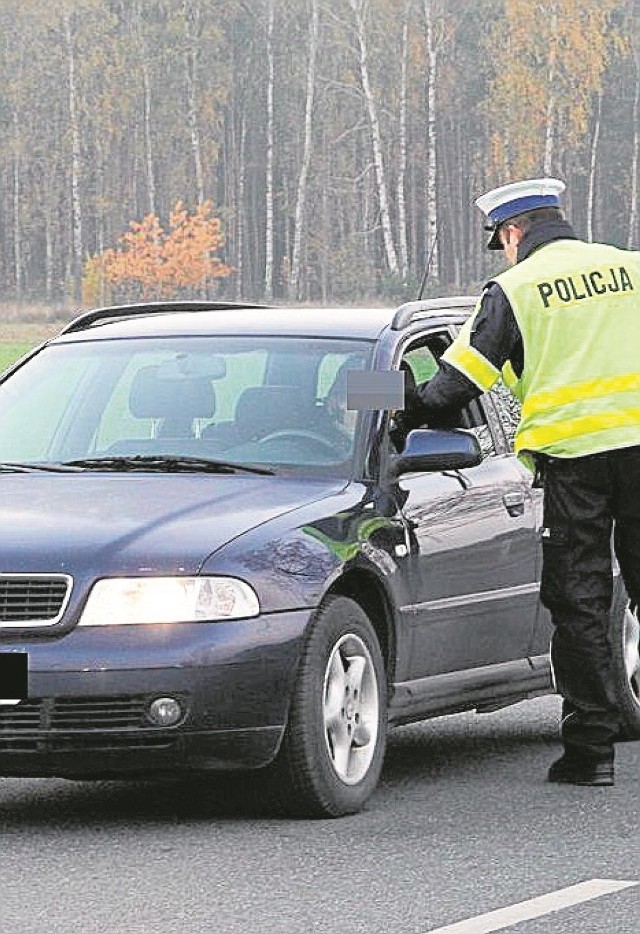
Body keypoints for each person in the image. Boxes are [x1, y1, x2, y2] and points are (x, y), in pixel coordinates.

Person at [391, 177, 640, 786]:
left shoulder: (515, 289)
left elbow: (454, 388)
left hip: (576, 463)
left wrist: (378, 398)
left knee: (580, 601)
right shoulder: (630, 268)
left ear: (511, 232)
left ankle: (590, 755)